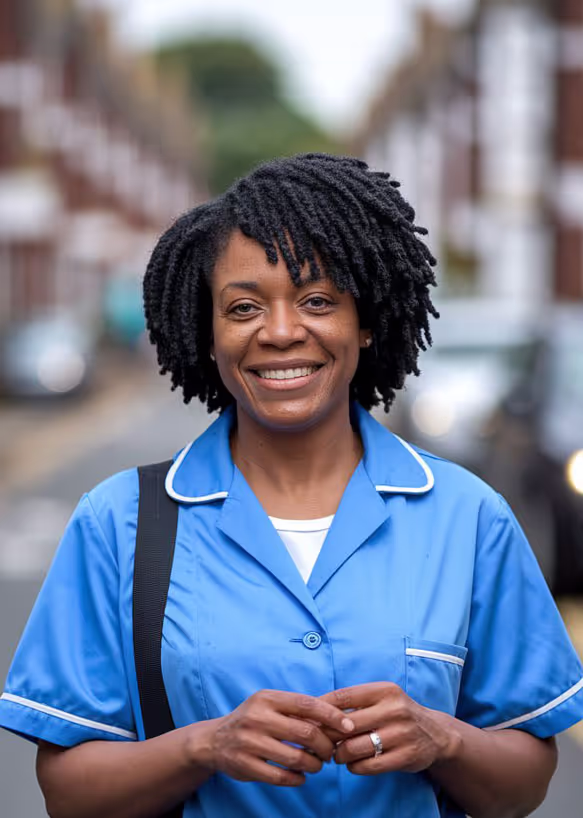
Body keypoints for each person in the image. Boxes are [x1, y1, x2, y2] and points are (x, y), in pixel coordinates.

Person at [1, 153, 582, 818]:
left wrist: (440, 737)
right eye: (243, 306)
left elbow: (525, 782)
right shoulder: (118, 522)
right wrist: (204, 746)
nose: (280, 333)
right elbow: (68, 794)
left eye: (316, 301)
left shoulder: (469, 517)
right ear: (208, 333)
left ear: (364, 323)